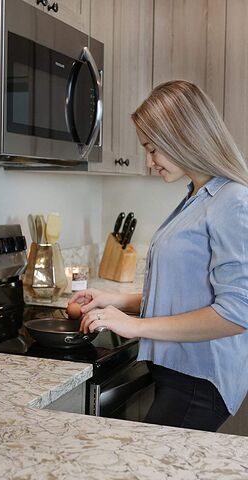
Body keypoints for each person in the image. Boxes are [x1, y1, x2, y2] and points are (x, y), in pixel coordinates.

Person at [69, 80, 248, 432]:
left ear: (185, 137)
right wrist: (114, 300)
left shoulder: (232, 201)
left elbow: (237, 313)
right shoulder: (198, 196)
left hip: (200, 380)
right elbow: (185, 293)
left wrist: (134, 325)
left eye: (153, 149)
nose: (150, 162)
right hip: (181, 374)